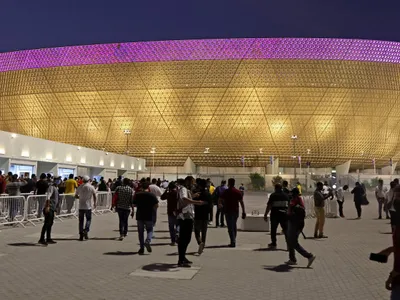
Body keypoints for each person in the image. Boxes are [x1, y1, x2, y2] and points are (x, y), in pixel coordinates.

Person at [176, 176, 205, 266]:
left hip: (187, 216)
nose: (193, 184)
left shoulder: (184, 189)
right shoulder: (183, 189)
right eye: (192, 182)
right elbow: (184, 199)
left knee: (185, 238)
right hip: (185, 216)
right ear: (188, 181)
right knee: (185, 238)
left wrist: (192, 196)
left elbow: (185, 199)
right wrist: (196, 202)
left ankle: (182, 257)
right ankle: (181, 259)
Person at [286, 188, 316, 267]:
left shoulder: (293, 201)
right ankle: (292, 259)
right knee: (290, 241)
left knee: (293, 242)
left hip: (293, 224)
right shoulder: (299, 200)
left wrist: (289, 203)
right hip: (299, 224)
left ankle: (309, 256)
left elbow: (289, 212)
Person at [219, 178, 246, 248]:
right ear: (234, 183)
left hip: (228, 211)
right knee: (234, 226)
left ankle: (233, 241)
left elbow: (220, 199)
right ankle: (233, 240)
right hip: (235, 211)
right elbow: (241, 202)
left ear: (228, 183)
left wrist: (220, 204)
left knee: (230, 227)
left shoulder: (226, 191)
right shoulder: (237, 192)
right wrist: (243, 211)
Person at [133, 182, 159, 255]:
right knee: (150, 230)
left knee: (140, 232)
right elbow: (156, 205)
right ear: (148, 188)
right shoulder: (152, 195)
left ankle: (141, 248)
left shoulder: (138, 195)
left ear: (141, 187)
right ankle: (147, 241)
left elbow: (134, 204)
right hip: (149, 215)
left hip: (140, 216)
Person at [264, 184, 289, 249]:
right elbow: (289, 206)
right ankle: (289, 245)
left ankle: (274, 243)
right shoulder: (286, 195)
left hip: (275, 215)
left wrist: (266, 214)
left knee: (273, 230)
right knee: (286, 230)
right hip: (284, 215)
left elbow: (269, 205)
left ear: (276, 188)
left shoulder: (273, 195)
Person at [75, 175, 97, 241]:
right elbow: (94, 195)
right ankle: (86, 230)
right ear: (88, 180)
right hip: (88, 206)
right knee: (88, 219)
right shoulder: (91, 187)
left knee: (81, 221)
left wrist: (80, 197)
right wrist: (95, 203)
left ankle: (81, 234)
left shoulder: (80, 187)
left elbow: (76, 195)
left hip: (81, 206)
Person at [38, 179, 59, 245]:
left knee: (50, 223)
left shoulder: (56, 188)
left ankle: (48, 238)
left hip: (53, 208)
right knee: (47, 223)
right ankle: (41, 238)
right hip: (49, 207)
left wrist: (55, 209)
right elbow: (48, 197)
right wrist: (47, 206)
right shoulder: (51, 187)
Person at [193, 179, 211, 255]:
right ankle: (203, 244)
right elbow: (210, 205)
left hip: (198, 215)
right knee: (204, 232)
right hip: (205, 215)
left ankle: (199, 242)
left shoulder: (197, 194)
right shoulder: (208, 194)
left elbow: (192, 202)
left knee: (197, 231)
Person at [160, 181, 178, 246]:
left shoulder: (169, 193)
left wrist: (166, 191)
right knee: (178, 225)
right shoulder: (177, 193)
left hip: (170, 211)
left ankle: (173, 241)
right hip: (177, 211)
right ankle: (177, 233)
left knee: (171, 227)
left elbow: (162, 197)